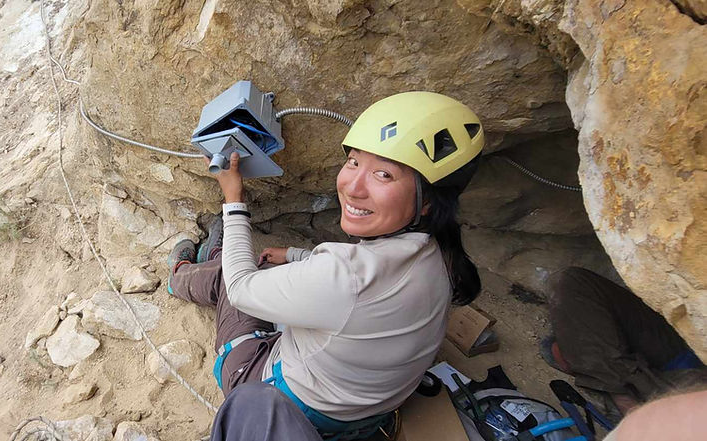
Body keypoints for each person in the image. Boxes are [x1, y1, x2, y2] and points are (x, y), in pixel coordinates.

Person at [167, 92, 485, 440]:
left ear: (427, 202)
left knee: (231, 275)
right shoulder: (440, 254)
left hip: (283, 398)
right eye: (353, 162)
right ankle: (215, 256)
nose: (352, 186)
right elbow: (349, 285)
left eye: (383, 174)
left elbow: (242, 290)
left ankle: (180, 273)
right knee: (253, 266)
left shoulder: (345, 275)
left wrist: (233, 200)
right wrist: (294, 255)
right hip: (360, 415)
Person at [541, 267, 706, 415]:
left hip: (690, 391)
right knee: (572, 284)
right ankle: (625, 393)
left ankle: (627, 400)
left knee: (568, 348)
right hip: (680, 347)